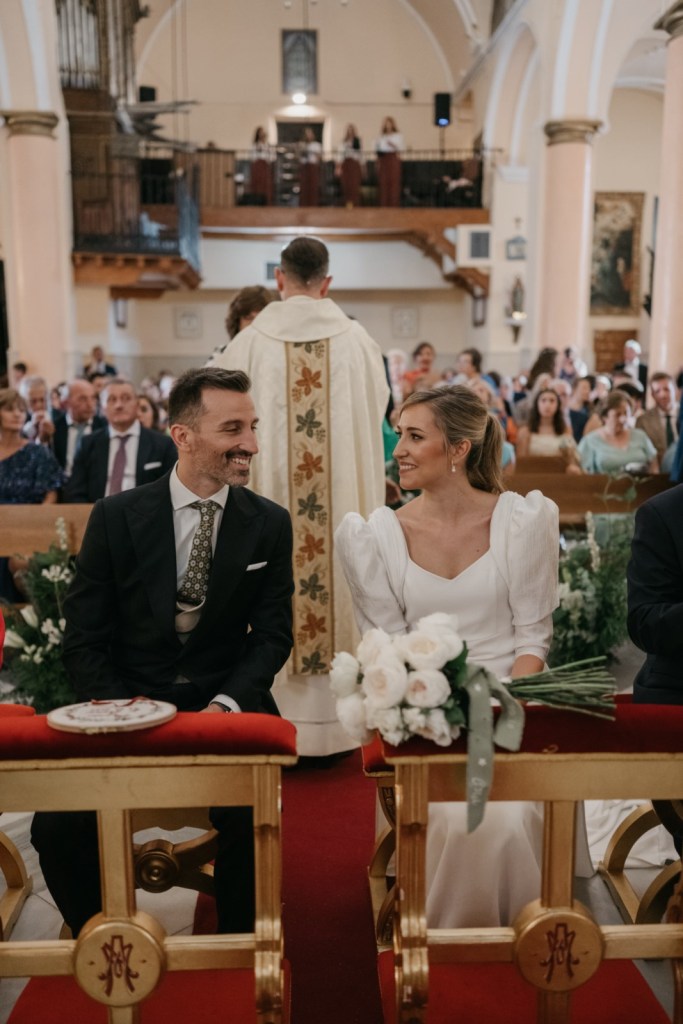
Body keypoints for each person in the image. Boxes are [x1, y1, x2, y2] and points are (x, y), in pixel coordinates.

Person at [30, 366, 295, 936]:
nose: (251, 444)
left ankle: (239, 948)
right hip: (125, 700)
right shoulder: (115, 517)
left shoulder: (269, 524)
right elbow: (84, 639)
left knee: (257, 817)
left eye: (252, 427)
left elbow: (273, 635)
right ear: (183, 436)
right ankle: (102, 940)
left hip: (225, 700)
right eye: (233, 429)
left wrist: (225, 706)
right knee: (55, 829)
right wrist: (126, 713)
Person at [335, 385, 559, 927]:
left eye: (415, 436)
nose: (399, 450)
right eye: (400, 435)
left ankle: (521, 940)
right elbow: (386, 645)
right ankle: (445, 950)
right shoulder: (377, 535)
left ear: (459, 448)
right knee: (461, 820)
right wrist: (428, 709)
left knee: (503, 820)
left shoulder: (522, 521)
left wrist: (503, 711)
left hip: (515, 704)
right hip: (426, 712)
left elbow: (532, 639)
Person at [211, 236, 389, 755]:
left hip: (267, 510)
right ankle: (341, 725)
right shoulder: (359, 341)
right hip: (343, 506)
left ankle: (276, 722)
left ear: (279, 279)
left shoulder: (246, 344)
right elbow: (378, 408)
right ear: (327, 282)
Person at [64, 377, 176, 502]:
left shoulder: (163, 445)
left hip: (145, 511)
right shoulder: (88, 444)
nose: (119, 405)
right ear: (102, 408)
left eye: (126, 398)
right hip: (98, 510)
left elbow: (170, 492)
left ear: (137, 404)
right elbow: (76, 492)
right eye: (112, 399)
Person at [0, 387, 64, 601]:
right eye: (10, 409)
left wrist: (31, 522)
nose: (17, 414)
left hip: (27, 528)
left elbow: (51, 495)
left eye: (21, 409)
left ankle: (23, 616)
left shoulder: (37, 452)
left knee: (19, 561)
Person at [578, 389, 658, 474]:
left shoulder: (640, 436)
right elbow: (582, 473)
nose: (623, 419)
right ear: (605, 416)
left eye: (626, 414)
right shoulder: (590, 441)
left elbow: (654, 466)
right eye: (617, 415)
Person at [516, 387, 582, 471]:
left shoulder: (565, 430)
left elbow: (571, 458)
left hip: (559, 473)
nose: (547, 405)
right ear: (537, 404)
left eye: (552, 401)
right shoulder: (525, 431)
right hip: (532, 473)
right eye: (543, 400)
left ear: (558, 405)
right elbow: (521, 462)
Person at [52, 378, 107, 476]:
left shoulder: (104, 427)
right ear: (66, 402)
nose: (90, 405)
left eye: (93, 398)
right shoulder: (54, 428)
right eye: (83, 399)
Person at [637, 372, 677, 469]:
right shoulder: (643, 421)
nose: (663, 395)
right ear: (652, 395)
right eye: (657, 391)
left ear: (675, 390)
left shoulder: (681, 414)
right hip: (658, 471)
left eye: (667, 389)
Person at [375, 117, 404, 207]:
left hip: (393, 158)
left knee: (394, 182)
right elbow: (378, 149)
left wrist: (392, 144)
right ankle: (384, 204)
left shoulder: (397, 135)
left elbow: (401, 148)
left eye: (389, 124)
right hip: (384, 159)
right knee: (384, 182)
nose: (388, 126)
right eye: (386, 124)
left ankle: (394, 204)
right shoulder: (381, 136)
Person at [336, 123, 363, 207]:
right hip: (346, 164)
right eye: (349, 130)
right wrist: (338, 167)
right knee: (346, 185)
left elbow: (360, 155)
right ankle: (347, 203)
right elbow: (340, 155)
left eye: (352, 130)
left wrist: (362, 166)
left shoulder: (357, 141)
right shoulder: (343, 142)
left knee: (354, 185)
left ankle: (355, 203)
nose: (350, 132)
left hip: (354, 164)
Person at [250, 126, 273, 204]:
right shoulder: (255, 145)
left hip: (265, 166)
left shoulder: (267, 145)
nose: (262, 134)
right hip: (257, 166)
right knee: (258, 183)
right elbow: (252, 157)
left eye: (263, 132)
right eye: (260, 133)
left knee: (265, 183)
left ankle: (266, 201)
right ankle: (256, 200)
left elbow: (271, 157)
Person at [299, 127, 322, 206]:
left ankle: (313, 203)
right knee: (304, 186)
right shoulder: (302, 145)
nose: (308, 136)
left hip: (313, 166)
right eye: (307, 134)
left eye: (310, 134)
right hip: (304, 167)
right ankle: (304, 203)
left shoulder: (317, 145)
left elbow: (319, 157)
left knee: (313, 185)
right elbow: (299, 156)